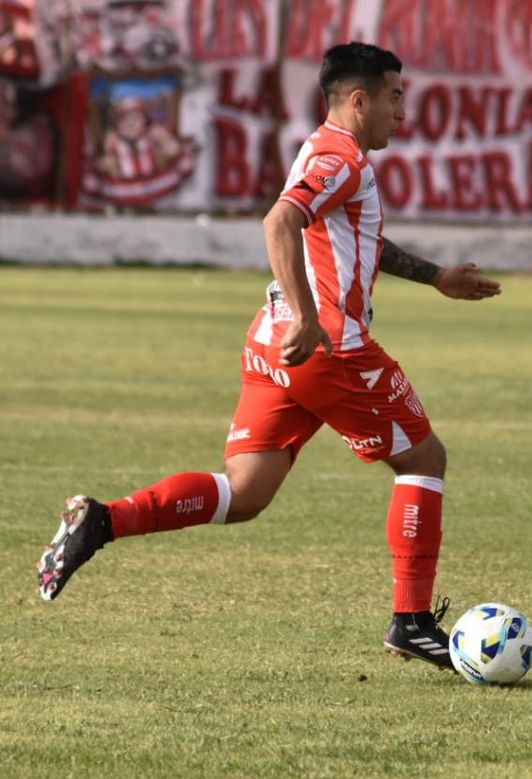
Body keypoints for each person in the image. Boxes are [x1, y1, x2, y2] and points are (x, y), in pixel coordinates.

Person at [36, 42, 502, 670]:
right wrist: (311, 318)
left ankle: (103, 521)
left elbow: (353, 236)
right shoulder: (341, 159)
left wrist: (437, 275)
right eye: (395, 96)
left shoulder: (326, 153)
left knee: (247, 493)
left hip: (273, 341)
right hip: (329, 347)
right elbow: (279, 222)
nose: (402, 111)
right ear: (359, 100)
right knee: (424, 458)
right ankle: (411, 621)